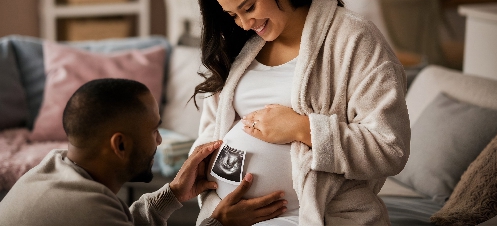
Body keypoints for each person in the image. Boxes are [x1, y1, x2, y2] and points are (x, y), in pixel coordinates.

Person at [190, 0, 411, 225]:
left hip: (312, 216)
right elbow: (210, 132)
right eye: (233, 15)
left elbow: (389, 149)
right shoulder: (239, 46)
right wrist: (218, 210)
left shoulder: (353, 39)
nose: (245, 23)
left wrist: (302, 128)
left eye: (249, 7)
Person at [0, 78, 287, 226]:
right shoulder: (86, 210)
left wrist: (173, 193)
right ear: (120, 145)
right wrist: (220, 223)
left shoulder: (50, 173)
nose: (160, 140)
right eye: (153, 130)